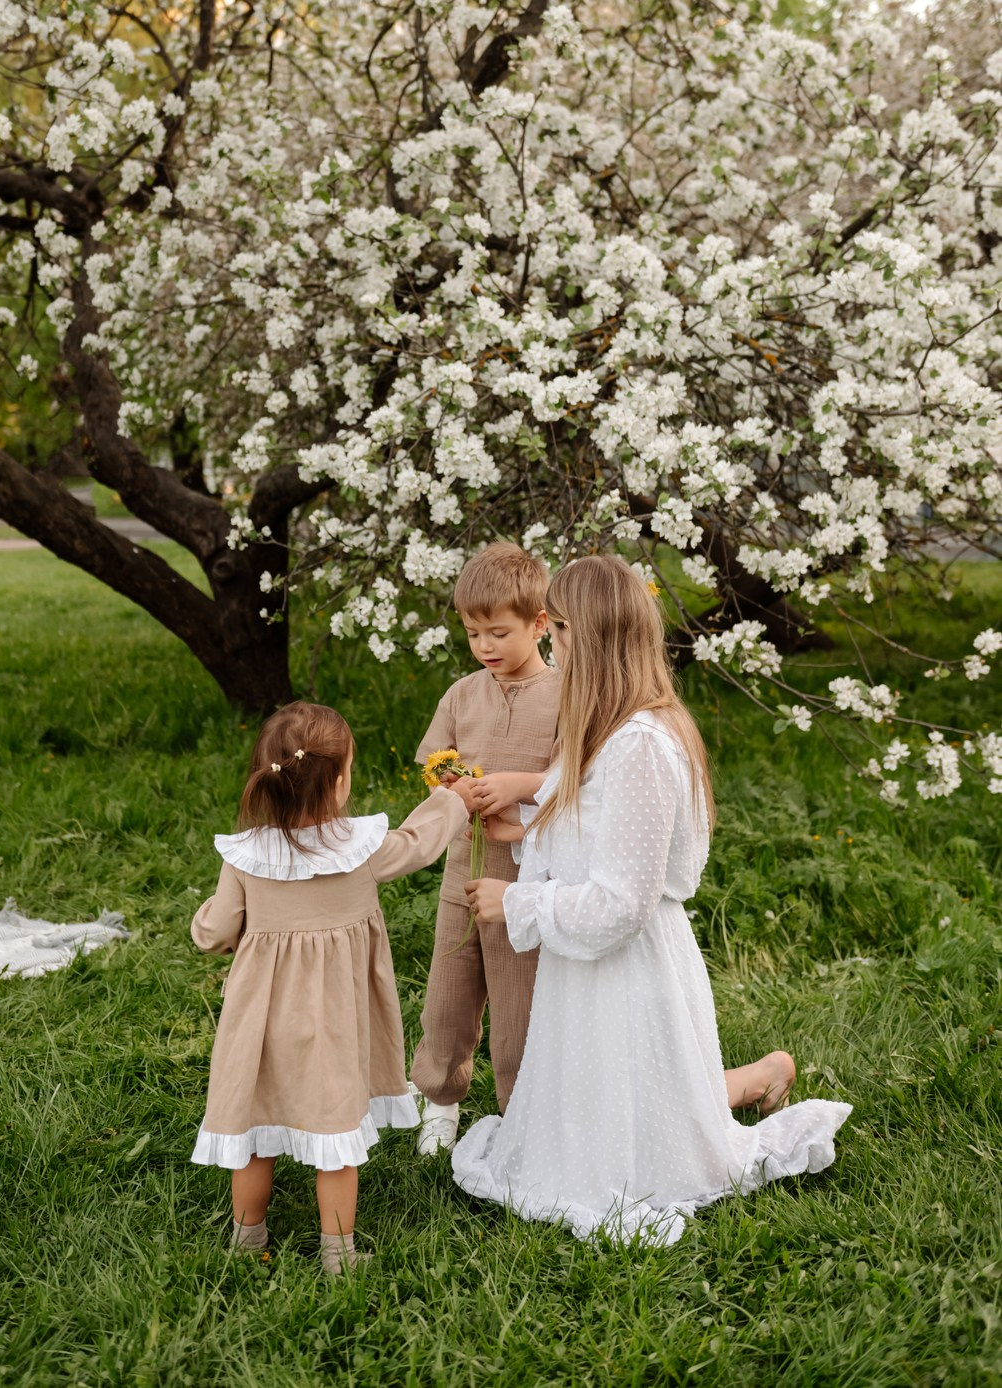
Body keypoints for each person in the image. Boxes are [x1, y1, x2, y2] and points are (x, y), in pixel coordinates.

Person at [452, 555, 851, 1246]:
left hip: (627, 972)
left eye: (562, 630)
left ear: (594, 638)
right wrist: (525, 815)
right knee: (620, 1104)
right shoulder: (611, 728)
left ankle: (754, 1085)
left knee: (631, 1134)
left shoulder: (643, 745)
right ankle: (759, 1077)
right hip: (591, 975)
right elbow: (591, 817)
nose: (552, 644)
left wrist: (518, 903)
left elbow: (621, 904)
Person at [191, 699, 470, 1274]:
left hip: (262, 1020)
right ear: (340, 782)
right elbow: (419, 843)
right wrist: (451, 799)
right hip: (337, 1020)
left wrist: (205, 921)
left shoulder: (247, 856)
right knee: (336, 1135)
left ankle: (247, 1239)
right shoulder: (360, 848)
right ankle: (338, 1255)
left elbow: (217, 930)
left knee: (256, 1127)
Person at [408, 542, 560, 1155]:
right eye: (473, 634)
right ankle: (441, 1100)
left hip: (527, 880)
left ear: (540, 624)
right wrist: (451, 783)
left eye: (499, 632)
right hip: (460, 874)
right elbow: (432, 760)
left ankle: (520, 1111)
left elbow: (573, 782)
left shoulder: (566, 695)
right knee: (448, 993)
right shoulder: (462, 693)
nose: (485, 647)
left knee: (520, 1007)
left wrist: (519, 794)